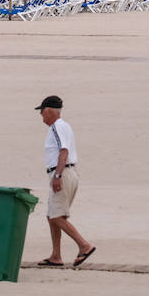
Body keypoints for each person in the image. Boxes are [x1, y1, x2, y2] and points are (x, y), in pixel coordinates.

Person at [34, 95, 95, 268]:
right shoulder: (63, 126)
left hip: (63, 173)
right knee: (52, 215)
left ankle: (84, 246)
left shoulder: (57, 127)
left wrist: (57, 176)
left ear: (48, 111)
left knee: (56, 217)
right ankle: (56, 256)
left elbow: (64, 151)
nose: (41, 117)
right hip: (69, 172)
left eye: (42, 112)